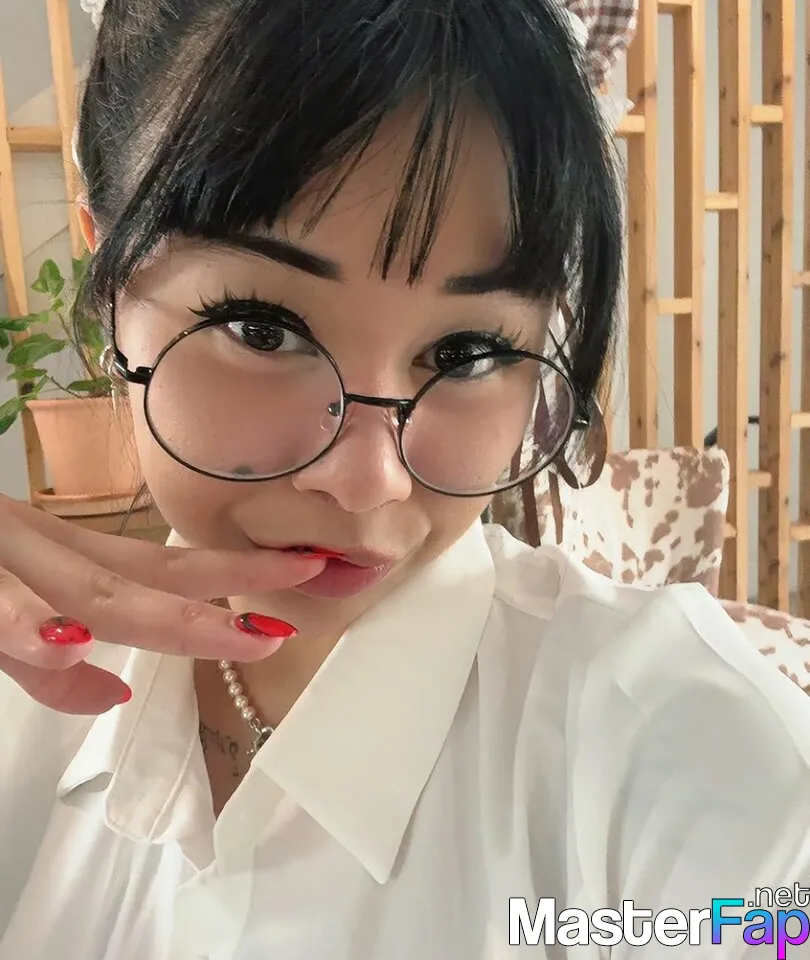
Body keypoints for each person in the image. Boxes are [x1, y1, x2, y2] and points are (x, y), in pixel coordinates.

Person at [1, 0, 809, 957]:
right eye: (262, 328)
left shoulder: (683, 752)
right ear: (107, 278)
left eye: (467, 351)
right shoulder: (26, 703)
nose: (369, 479)